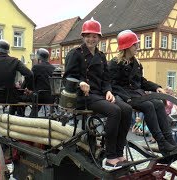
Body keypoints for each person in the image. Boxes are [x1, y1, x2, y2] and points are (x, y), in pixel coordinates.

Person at [63, 18, 132, 170]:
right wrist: (80, 83)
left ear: (99, 38)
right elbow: (67, 77)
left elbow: (106, 78)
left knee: (126, 109)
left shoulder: (101, 56)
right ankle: (110, 155)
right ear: (83, 36)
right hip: (83, 97)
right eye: (88, 35)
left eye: (94, 36)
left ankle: (119, 152)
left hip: (100, 94)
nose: (91, 39)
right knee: (114, 111)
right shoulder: (76, 53)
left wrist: (108, 90)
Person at [108, 30, 177, 156]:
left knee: (158, 104)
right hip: (124, 96)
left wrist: (156, 87)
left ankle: (170, 141)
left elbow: (142, 82)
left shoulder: (136, 63)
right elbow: (113, 85)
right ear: (127, 46)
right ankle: (162, 143)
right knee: (149, 106)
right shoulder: (115, 63)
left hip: (137, 94)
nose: (137, 47)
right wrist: (127, 97)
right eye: (135, 45)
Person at [0, 39, 33, 115]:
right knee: (16, 93)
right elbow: (29, 74)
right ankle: (11, 114)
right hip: (11, 97)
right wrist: (29, 87)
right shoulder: (15, 61)